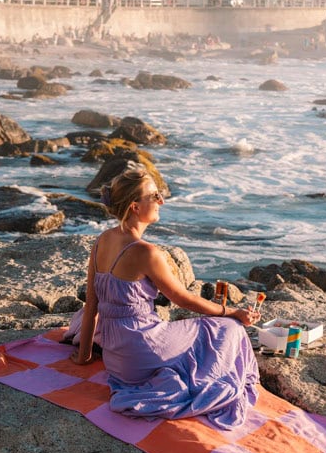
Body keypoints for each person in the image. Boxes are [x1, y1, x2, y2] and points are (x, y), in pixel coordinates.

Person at [70, 163, 260, 430]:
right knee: (227, 330)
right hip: (144, 350)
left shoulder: (101, 240)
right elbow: (184, 300)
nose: (161, 200)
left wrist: (84, 356)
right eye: (153, 196)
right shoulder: (147, 253)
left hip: (118, 361)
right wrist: (232, 312)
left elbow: (91, 305)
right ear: (135, 206)